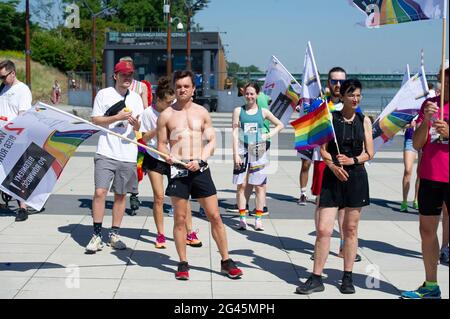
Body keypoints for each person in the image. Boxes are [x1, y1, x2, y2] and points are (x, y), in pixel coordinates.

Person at [157, 70, 243, 281]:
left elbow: (212, 141)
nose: (182, 90)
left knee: (214, 216)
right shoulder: (166, 115)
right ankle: (183, 263)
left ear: (193, 89)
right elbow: (161, 144)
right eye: (178, 87)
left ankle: (226, 261)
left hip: (200, 169)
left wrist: (202, 160)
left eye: (186, 86)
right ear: (174, 89)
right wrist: (167, 156)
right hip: (178, 171)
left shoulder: (202, 112)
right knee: (180, 218)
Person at [297, 79, 373, 295]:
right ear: (343, 97)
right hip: (332, 178)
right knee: (323, 229)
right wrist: (333, 165)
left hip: (356, 178)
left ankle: (347, 277)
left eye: (358, 95)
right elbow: (323, 151)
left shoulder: (364, 120)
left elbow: (370, 152)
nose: (355, 99)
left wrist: (353, 161)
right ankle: (316, 277)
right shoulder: (331, 118)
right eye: (351, 95)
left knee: (350, 229)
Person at [85, 60, 144, 253]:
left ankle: (114, 234)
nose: (127, 78)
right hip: (106, 151)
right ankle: (96, 235)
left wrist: (135, 125)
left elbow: (140, 129)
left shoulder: (136, 98)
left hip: (127, 153)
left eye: (130, 75)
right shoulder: (104, 95)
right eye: (124, 75)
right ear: (115, 76)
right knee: (100, 192)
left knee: (121, 195)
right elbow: (95, 120)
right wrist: (117, 118)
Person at [402, 62, 449, 299]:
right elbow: (418, 143)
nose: (447, 79)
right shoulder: (429, 105)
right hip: (431, 177)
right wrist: (427, 122)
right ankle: (431, 285)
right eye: (445, 75)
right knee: (427, 230)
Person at [140, 76, 202, 249]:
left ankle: (190, 232)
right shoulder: (147, 114)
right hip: (154, 157)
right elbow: (143, 138)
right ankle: (160, 235)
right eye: (167, 102)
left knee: (183, 197)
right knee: (159, 197)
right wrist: (159, 127)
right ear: (158, 100)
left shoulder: (177, 111)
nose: (170, 105)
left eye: (172, 101)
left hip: (174, 158)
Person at [310, 67, 362, 262]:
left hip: (345, 162)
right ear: (328, 83)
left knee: (345, 206)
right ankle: (320, 243)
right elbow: (311, 131)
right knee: (322, 202)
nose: (338, 85)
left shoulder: (351, 104)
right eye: (334, 81)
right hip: (323, 160)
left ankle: (343, 245)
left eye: (341, 81)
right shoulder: (320, 104)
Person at [232, 83, 284, 231]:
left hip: (259, 149)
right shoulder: (238, 111)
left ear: (257, 95)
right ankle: (242, 218)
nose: (249, 96)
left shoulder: (263, 112)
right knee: (241, 185)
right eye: (247, 94)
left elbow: (280, 125)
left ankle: (258, 219)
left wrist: (268, 135)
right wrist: (235, 154)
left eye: (252, 94)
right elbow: (235, 133)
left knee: (259, 186)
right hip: (242, 150)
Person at [0, 60, 33, 222]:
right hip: (2, 137)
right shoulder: (3, 88)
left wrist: (9, 129)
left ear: (13, 73)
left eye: (4, 76)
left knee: (18, 173)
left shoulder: (22, 90)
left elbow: (23, 116)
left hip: (17, 138)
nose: (2, 80)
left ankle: (23, 208)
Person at [119, 57, 150, 215]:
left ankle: (134, 193)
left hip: (135, 131)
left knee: (137, 164)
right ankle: (125, 193)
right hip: (117, 132)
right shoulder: (116, 86)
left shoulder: (141, 86)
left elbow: (145, 109)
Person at [400, 120, 420, 212]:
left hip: (424, 141)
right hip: (410, 140)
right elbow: (400, 125)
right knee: (408, 170)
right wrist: (409, 125)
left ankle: (416, 199)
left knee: (421, 172)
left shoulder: (431, 107)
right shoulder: (411, 108)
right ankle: (404, 201)